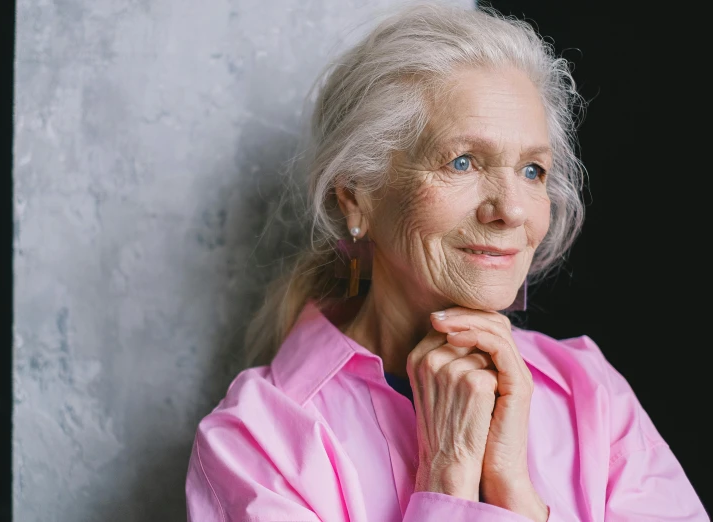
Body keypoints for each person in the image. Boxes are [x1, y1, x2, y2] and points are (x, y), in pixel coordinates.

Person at [185, 3, 708, 521]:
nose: (511, 210)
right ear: (356, 197)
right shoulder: (254, 443)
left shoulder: (590, 392)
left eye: (532, 170)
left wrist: (515, 495)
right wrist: (448, 475)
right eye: (462, 161)